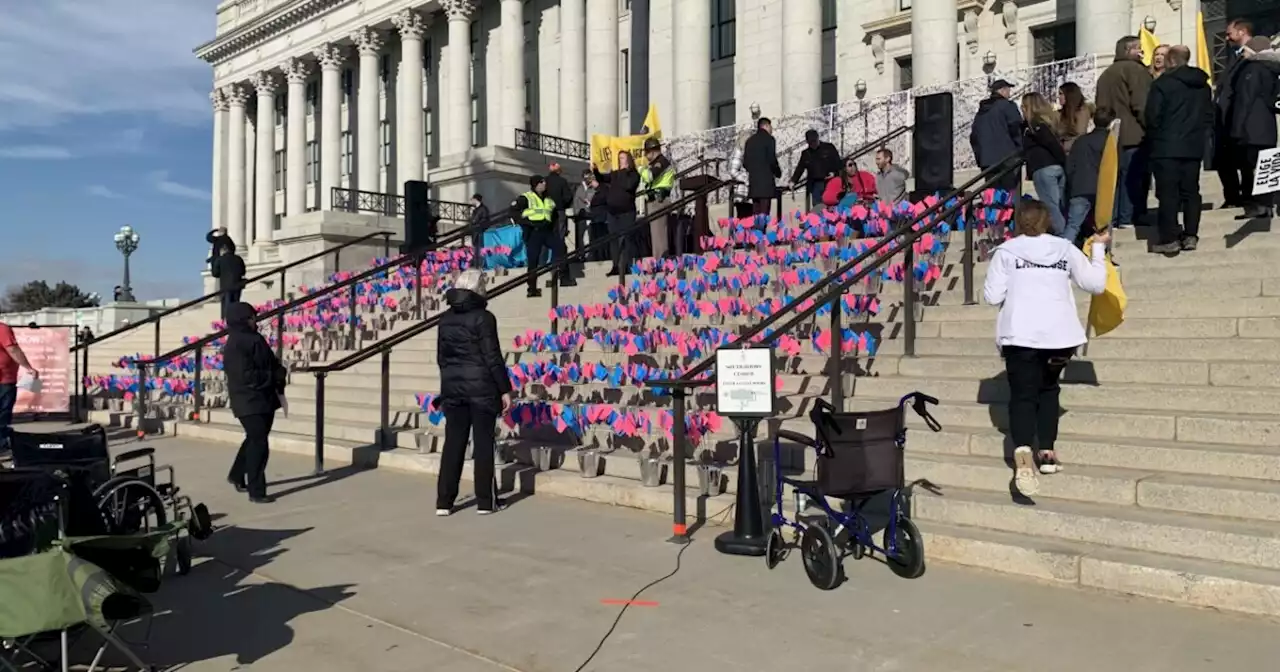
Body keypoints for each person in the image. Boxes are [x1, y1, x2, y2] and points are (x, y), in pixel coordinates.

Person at [983, 201, 1109, 496]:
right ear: (1048, 220)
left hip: (1020, 335)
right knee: (1049, 389)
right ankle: (1048, 453)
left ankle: (1024, 452)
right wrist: (1100, 249)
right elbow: (1095, 284)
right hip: (1060, 336)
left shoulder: (1007, 251)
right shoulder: (1065, 249)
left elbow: (991, 296)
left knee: (1024, 395)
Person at [434, 270, 512, 516]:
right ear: (478, 288)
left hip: (453, 389)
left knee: (453, 444)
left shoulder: (445, 319)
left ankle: (444, 501)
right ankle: (485, 501)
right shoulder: (484, 318)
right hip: (481, 389)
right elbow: (492, 357)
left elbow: (441, 358)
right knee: (483, 444)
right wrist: (505, 389)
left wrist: (448, 384)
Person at [1145, 45, 1213, 254]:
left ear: (1171, 61)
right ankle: (1191, 234)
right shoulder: (1203, 86)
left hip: (1166, 147)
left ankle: (1169, 238)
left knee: (1168, 194)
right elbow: (1208, 115)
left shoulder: (1162, 84)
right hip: (1193, 146)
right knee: (1191, 192)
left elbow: (1152, 117)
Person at [222, 302, 287, 504]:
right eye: (250, 317)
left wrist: (278, 372)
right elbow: (246, 375)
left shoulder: (254, 338)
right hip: (248, 399)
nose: (254, 320)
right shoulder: (237, 343)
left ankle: (237, 474)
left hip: (264, 398)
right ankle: (256, 489)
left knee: (254, 438)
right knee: (259, 442)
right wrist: (272, 377)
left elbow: (269, 361)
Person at [1096, 35, 1154, 229]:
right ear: (1127, 50)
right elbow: (1142, 104)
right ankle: (1130, 217)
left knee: (1116, 179)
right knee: (1135, 177)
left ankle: (1114, 218)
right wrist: (1152, 127)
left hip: (1112, 134)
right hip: (1135, 134)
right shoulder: (1135, 70)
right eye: (1138, 48)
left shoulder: (1105, 75)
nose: (1142, 51)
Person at [1226, 36, 1280, 221]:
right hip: (1267, 124)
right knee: (1266, 165)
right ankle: (1266, 205)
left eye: (1245, 50)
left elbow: (1245, 99)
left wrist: (1237, 128)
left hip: (1252, 125)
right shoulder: (1271, 68)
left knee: (1252, 166)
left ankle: (1258, 206)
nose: (1243, 54)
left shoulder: (1253, 69)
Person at [1213, 19, 1256, 210]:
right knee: (1225, 160)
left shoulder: (1256, 54)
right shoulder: (1233, 55)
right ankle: (1232, 196)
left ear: (1242, 32)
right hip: (1226, 117)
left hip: (1245, 117)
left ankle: (1248, 196)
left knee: (1246, 161)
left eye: (1230, 33)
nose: (1227, 38)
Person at [512, 175, 573, 297]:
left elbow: (555, 215)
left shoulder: (549, 199)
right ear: (536, 184)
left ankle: (564, 277)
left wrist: (558, 229)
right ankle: (532, 288)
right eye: (542, 182)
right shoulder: (526, 198)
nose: (545, 184)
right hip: (534, 232)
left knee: (561, 247)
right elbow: (513, 212)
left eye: (544, 182)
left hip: (547, 231)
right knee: (533, 260)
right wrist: (527, 224)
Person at [1065, 108, 1116, 245]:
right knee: (1103, 226)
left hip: (1080, 187)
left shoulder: (1081, 141)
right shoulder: (1109, 142)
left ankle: (1062, 254)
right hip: (1101, 190)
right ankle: (1103, 255)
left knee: (1073, 225)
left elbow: (1070, 166)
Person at [1021, 92, 1069, 236]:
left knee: (1051, 207)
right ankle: (1067, 234)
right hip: (1057, 167)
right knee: (1060, 206)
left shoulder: (1034, 126)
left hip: (1043, 168)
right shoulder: (1049, 122)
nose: (1022, 109)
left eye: (1023, 106)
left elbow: (1050, 143)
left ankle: (1064, 237)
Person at [970, 79, 1025, 193]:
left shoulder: (981, 112)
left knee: (993, 195)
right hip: (1008, 158)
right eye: (1008, 89)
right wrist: (1021, 150)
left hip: (987, 161)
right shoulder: (1007, 106)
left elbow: (974, 136)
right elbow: (1016, 128)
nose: (1009, 92)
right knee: (1010, 194)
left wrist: (981, 158)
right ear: (1002, 90)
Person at [593, 151, 641, 277]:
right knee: (613, 239)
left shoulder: (633, 175)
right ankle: (615, 265)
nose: (620, 160)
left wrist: (623, 171)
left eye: (623, 158)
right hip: (613, 212)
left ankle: (625, 266)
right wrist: (596, 171)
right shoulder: (615, 174)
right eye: (619, 158)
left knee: (626, 239)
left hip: (627, 212)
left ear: (629, 160)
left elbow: (629, 186)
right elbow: (602, 179)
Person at [0, 321, 38, 450]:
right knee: (3, 412)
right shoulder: (2, 328)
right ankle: (1, 442)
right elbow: (12, 349)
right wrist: (28, 367)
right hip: (4, 378)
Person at [639, 137, 678, 258]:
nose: (645, 156)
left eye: (646, 152)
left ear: (652, 151)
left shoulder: (661, 162)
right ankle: (659, 260)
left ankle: (661, 261)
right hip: (654, 200)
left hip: (659, 200)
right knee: (656, 234)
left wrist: (641, 169)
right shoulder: (657, 162)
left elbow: (650, 176)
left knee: (659, 234)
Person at [791, 129, 842, 209]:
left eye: (814, 141)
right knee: (818, 208)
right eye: (811, 142)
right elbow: (800, 168)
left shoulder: (829, 148)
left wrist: (834, 173)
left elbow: (838, 163)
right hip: (815, 185)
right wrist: (793, 181)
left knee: (832, 207)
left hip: (830, 182)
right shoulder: (806, 153)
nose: (813, 144)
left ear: (818, 138)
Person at [742, 116, 782, 215]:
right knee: (764, 213)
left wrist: (754, 171)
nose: (772, 129)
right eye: (770, 126)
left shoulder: (749, 141)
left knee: (756, 213)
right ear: (765, 126)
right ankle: (761, 230)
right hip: (766, 183)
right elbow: (771, 159)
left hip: (754, 183)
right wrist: (777, 172)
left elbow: (745, 162)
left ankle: (756, 230)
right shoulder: (769, 139)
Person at [210, 239, 246, 320]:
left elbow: (215, 273)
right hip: (237, 285)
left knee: (226, 307)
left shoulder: (220, 259)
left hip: (226, 287)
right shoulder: (238, 259)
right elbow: (243, 272)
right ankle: (236, 320)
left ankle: (226, 323)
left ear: (223, 249)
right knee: (236, 304)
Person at [1057, 82, 1094, 153]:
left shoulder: (1082, 111)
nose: (1058, 97)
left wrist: (1062, 145)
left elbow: (1080, 136)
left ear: (1069, 95)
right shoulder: (1063, 112)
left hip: (1076, 151)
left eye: (1061, 94)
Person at [469, 193, 490, 268]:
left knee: (480, 249)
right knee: (475, 249)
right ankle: (476, 264)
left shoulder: (483, 209)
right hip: (475, 232)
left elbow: (485, 220)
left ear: (476, 200)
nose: (471, 201)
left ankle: (480, 265)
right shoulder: (476, 209)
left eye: (472, 199)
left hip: (480, 232)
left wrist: (476, 224)